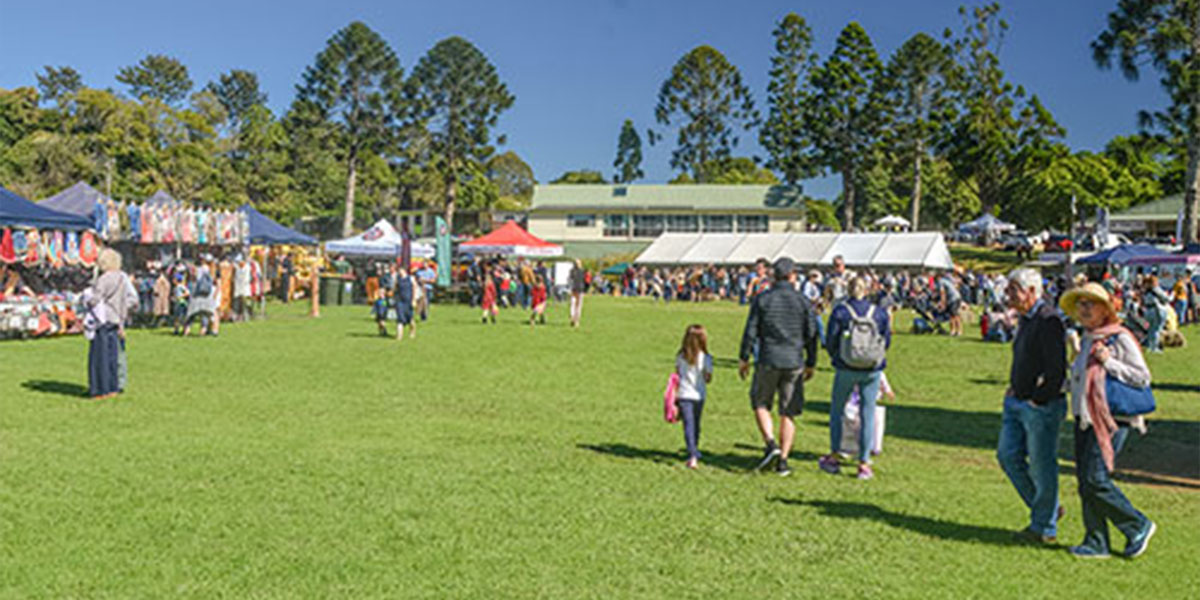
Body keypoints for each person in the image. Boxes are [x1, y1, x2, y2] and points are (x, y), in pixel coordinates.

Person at [1059, 282, 1157, 559]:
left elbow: (1142, 377)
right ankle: (1096, 541)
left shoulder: (1119, 338)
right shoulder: (1088, 337)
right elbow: (1082, 380)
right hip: (1085, 418)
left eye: (1091, 303)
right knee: (1085, 481)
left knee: (1095, 478)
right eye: (1081, 303)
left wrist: (1109, 362)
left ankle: (1137, 524)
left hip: (1113, 419)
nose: (1084, 308)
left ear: (1106, 309)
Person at [997, 268, 1067, 544]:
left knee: (1041, 465)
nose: (1008, 294)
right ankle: (1047, 510)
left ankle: (1044, 527)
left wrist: (1038, 397)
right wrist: (1015, 387)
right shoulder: (1026, 319)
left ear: (1032, 292)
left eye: (1014, 289)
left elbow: (1056, 369)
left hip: (1040, 406)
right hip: (1017, 401)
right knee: (1007, 456)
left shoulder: (1049, 320)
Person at [738, 257, 820, 477]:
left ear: (773, 275)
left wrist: (744, 357)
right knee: (788, 411)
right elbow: (812, 335)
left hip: (768, 358)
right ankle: (783, 460)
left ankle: (770, 443)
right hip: (794, 361)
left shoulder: (763, 299)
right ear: (793, 276)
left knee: (760, 402)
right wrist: (812, 362)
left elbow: (751, 331)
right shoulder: (803, 301)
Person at [819, 276, 892, 480]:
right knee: (867, 413)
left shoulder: (841, 311)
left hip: (846, 366)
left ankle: (834, 455)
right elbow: (886, 340)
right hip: (871, 368)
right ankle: (864, 462)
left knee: (837, 410)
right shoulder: (878, 312)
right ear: (867, 290)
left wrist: (837, 357)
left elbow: (831, 339)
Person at [84, 248, 137, 399]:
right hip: (115, 320)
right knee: (112, 357)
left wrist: (86, 298)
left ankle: (99, 389)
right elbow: (125, 301)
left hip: (102, 320)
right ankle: (112, 387)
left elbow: (95, 299)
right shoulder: (121, 277)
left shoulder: (104, 279)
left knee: (99, 357)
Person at [674, 324, 714, 469]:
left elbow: (677, 374)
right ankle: (693, 451)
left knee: (688, 425)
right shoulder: (706, 358)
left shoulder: (680, 356)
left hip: (684, 394)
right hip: (699, 395)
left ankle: (692, 452)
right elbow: (708, 378)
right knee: (696, 424)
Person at [394, 266, 417, 341]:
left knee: (410, 319)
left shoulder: (411, 278)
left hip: (408, 300)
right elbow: (395, 289)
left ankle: (412, 331)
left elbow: (414, 289)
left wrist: (414, 300)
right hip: (399, 301)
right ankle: (399, 336)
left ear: (404, 270)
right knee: (400, 319)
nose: (399, 272)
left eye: (400, 270)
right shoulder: (397, 279)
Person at [569, 259, 586, 328]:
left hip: (575, 289)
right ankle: (575, 319)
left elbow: (570, 279)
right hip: (578, 289)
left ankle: (574, 318)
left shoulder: (572, 271)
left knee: (574, 304)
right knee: (577, 305)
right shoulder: (582, 271)